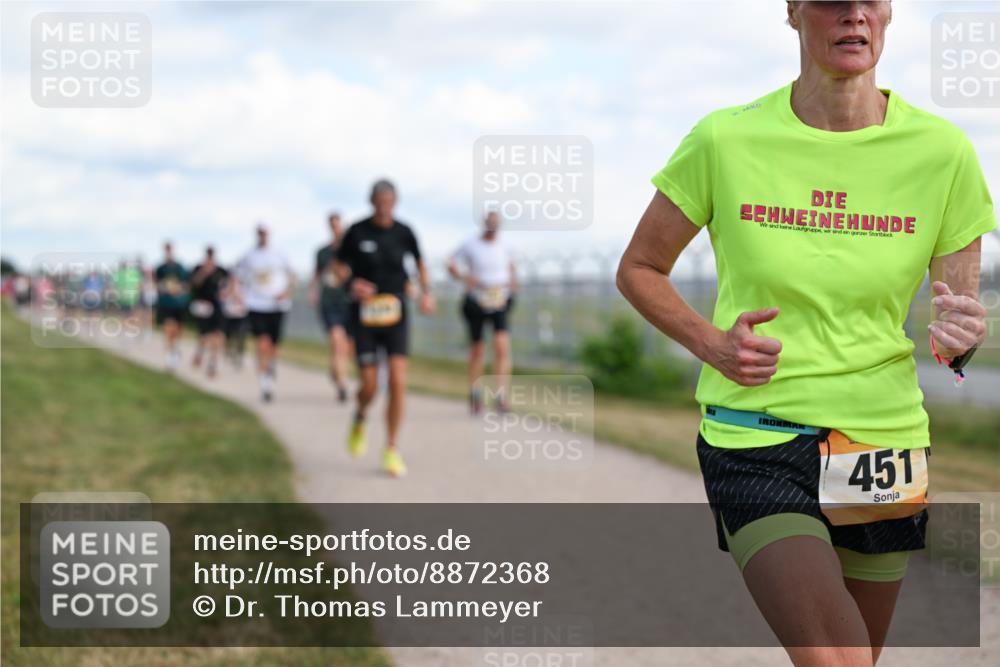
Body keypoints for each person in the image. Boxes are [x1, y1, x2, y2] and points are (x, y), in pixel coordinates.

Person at [616, 2, 995, 665]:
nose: (852, 17)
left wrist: (962, 337)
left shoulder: (944, 154)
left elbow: (954, 333)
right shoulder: (724, 140)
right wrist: (712, 344)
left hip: (881, 440)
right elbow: (639, 267)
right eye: (831, 1)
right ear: (792, 11)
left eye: (867, 1)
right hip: (756, 432)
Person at [334, 179, 435, 477]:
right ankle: (360, 415)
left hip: (396, 313)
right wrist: (351, 283)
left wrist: (426, 293)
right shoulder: (357, 231)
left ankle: (391, 448)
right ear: (371, 202)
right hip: (365, 316)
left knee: (398, 382)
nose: (383, 207)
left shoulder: (404, 232)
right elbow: (338, 267)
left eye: (389, 201)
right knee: (369, 385)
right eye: (379, 201)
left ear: (395, 202)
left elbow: (420, 264)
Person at [447, 211, 518, 414]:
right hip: (476, 300)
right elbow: (450, 263)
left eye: (497, 224)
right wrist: (464, 277)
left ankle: (501, 396)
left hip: (500, 300)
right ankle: (475, 392)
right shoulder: (470, 243)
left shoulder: (506, 244)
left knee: (502, 347)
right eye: (490, 224)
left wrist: (513, 283)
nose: (493, 228)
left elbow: (512, 266)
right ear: (484, 224)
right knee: (478, 350)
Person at [235, 223, 296, 402]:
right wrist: (239, 296)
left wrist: (286, 292)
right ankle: (265, 384)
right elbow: (236, 277)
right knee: (262, 342)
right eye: (260, 233)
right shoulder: (249, 255)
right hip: (256, 305)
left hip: (277, 306)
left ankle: (271, 366)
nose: (262, 236)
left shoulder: (280, 253)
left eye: (265, 233)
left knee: (274, 346)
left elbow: (292, 276)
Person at [309, 212, 352, 403]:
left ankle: (336, 370)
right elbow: (316, 275)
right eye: (332, 226)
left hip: (349, 302)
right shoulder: (323, 252)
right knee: (336, 339)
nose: (336, 229)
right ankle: (342, 384)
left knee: (347, 347)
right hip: (330, 302)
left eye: (338, 225)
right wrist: (313, 291)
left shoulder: (353, 250)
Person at [188, 246, 229, 378]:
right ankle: (200, 352)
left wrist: (228, 294)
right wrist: (204, 272)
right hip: (202, 306)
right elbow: (193, 284)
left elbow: (231, 282)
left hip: (217, 306)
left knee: (217, 335)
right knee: (204, 336)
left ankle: (213, 363)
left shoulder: (221, 270)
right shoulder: (199, 268)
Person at [154, 242, 190, 371]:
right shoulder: (160, 268)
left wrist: (179, 289)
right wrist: (163, 289)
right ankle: (170, 357)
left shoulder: (180, 268)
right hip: (166, 303)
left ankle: (175, 349)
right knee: (169, 329)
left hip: (179, 304)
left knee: (177, 331)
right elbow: (157, 284)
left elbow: (186, 285)